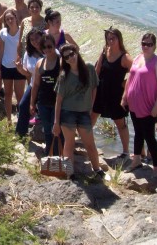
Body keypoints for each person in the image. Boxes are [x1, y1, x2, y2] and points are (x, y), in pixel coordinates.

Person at [53, 44, 104, 179]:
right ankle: (69, 173)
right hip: (67, 113)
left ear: (76, 52)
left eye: (72, 54)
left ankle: (97, 169)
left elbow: (94, 88)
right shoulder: (64, 76)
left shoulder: (89, 68)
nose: (71, 58)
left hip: (84, 113)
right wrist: (56, 122)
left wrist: (91, 107)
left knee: (90, 144)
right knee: (69, 143)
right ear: (64, 60)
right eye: (67, 57)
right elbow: (58, 101)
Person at [121, 33, 157, 175]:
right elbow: (130, 78)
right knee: (138, 133)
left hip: (148, 106)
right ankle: (137, 160)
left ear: (154, 46)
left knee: (149, 136)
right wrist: (124, 96)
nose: (146, 46)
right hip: (134, 103)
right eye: (144, 43)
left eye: (149, 44)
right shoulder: (138, 58)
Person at [91, 27, 133, 159]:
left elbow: (135, 73)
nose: (110, 41)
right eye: (108, 38)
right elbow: (96, 71)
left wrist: (125, 83)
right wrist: (92, 87)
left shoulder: (125, 57)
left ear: (119, 39)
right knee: (92, 117)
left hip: (116, 95)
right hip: (101, 90)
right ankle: (87, 142)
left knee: (120, 123)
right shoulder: (104, 52)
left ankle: (126, 151)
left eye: (113, 38)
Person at [30, 34, 61, 154]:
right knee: (47, 129)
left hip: (57, 102)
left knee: (56, 129)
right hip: (43, 102)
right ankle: (49, 151)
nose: (47, 50)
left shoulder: (61, 62)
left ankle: (57, 154)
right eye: (44, 47)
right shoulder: (40, 63)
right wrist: (32, 103)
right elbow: (36, 85)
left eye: (49, 46)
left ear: (54, 46)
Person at [0, 9, 25, 124]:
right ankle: (8, 119)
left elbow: (24, 50)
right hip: (6, 66)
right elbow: (1, 49)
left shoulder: (21, 32)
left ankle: (21, 120)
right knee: (8, 94)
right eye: (7, 19)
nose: (9, 20)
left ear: (16, 18)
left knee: (20, 96)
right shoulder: (3, 32)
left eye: (11, 18)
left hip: (19, 67)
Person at [15, 28, 44, 137]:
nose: (35, 41)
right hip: (33, 85)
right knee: (23, 105)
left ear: (42, 36)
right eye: (32, 39)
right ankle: (20, 134)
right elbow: (28, 73)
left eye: (37, 38)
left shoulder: (49, 50)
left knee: (44, 111)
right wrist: (20, 69)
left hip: (48, 87)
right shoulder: (29, 53)